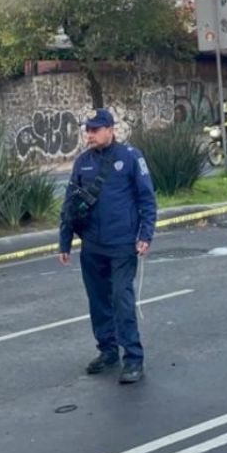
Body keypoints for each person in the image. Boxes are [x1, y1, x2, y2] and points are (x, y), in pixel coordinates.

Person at [58, 108, 157, 384]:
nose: (89, 134)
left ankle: (133, 358)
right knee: (98, 301)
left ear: (110, 129)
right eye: (87, 130)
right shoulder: (82, 163)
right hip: (92, 245)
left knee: (121, 298)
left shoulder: (130, 158)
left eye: (94, 129)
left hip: (122, 244)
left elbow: (147, 199)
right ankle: (108, 350)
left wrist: (145, 234)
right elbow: (70, 205)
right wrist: (64, 242)